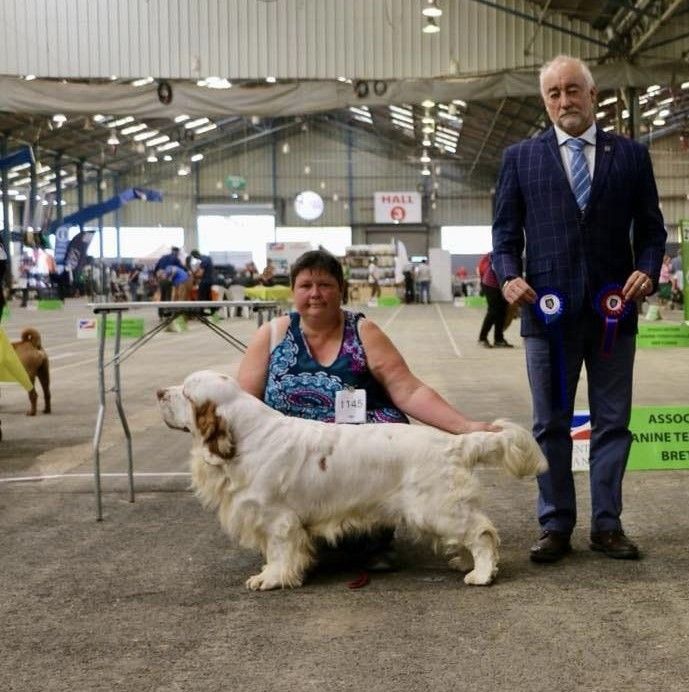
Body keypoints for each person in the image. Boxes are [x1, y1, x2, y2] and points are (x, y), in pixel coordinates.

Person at [492, 55, 666, 563]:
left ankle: (607, 525)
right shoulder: (520, 158)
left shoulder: (631, 156)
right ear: (544, 101)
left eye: (573, 90)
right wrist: (508, 277)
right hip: (546, 316)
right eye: (554, 93)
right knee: (550, 423)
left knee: (614, 422)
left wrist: (649, 270)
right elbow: (504, 236)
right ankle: (555, 524)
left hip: (615, 313)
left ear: (593, 95)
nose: (564, 101)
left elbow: (652, 231)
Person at [238, 249, 498, 571]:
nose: (315, 294)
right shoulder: (272, 334)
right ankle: (294, 536)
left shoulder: (364, 331)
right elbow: (243, 405)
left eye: (325, 285)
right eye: (306, 285)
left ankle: (375, 538)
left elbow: (409, 390)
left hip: (358, 452)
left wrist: (465, 426)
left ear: (341, 290)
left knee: (388, 444)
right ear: (293, 291)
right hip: (293, 458)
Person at [477, 252, 512, 348]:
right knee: (493, 311)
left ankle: (498, 339)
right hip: (490, 285)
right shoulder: (499, 254)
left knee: (502, 312)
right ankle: (482, 338)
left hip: (501, 286)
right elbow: (499, 270)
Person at [154, 246, 184, 317]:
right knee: (168, 297)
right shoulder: (175, 258)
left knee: (162, 297)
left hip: (161, 279)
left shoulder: (163, 257)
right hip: (168, 279)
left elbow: (156, 268)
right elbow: (181, 267)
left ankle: (160, 314)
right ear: (176, 252)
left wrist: (156, 277)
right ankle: (167, 313)